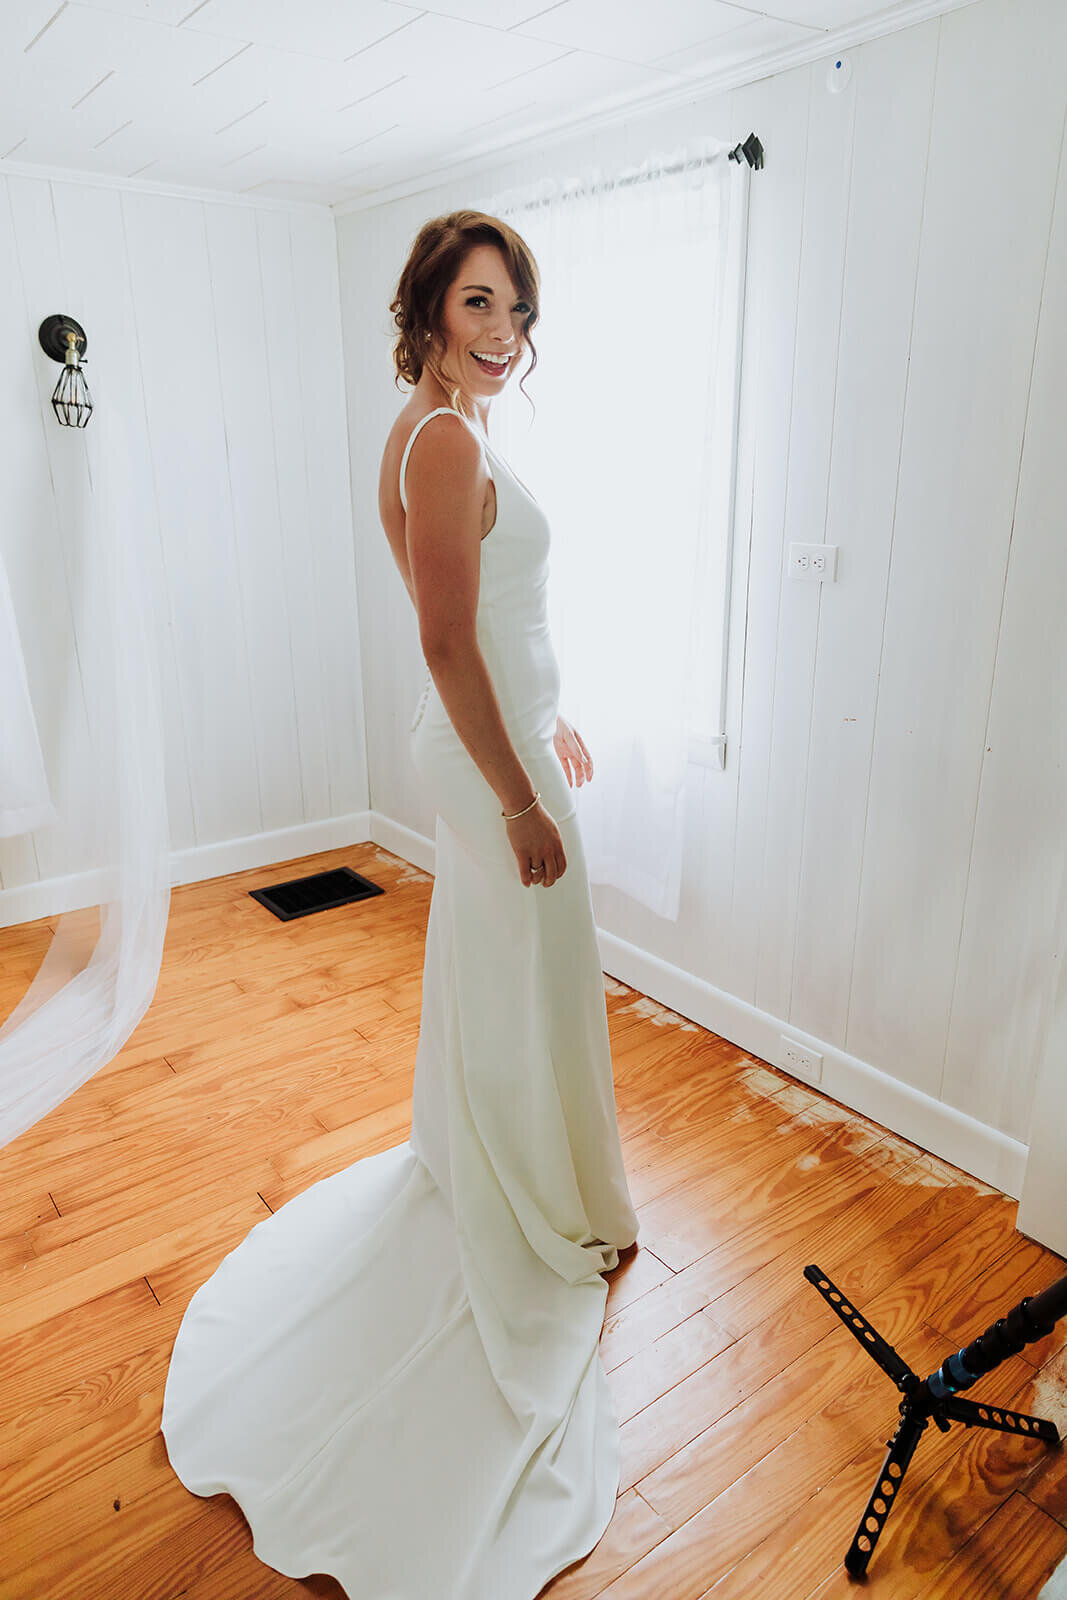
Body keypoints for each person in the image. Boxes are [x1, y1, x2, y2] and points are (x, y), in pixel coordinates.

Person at [160, 208, 639, 1600]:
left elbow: (497, 624)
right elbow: (442, 641)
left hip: (517, 741)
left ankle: (531, 1176)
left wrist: (558, 726)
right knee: (515, 985)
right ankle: (517, 1201)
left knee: (521, 984)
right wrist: (518, 798)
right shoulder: (436, 441)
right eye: (481, 305)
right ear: (430, 308)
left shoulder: (454, 437)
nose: (506, 335)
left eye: (520, 312)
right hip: (498, 772)